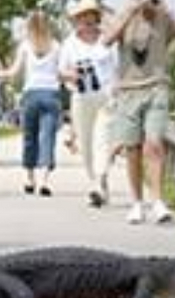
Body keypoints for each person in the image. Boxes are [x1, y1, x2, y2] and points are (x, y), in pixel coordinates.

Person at [103, 0, 175, 223]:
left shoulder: (164, 16)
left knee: (154, 143)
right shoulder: (124, 14)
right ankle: (137, 202)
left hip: (157, 86)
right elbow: (106, 40)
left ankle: (157, 201)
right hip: (128, 91)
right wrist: (131, 10)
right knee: (132, 149)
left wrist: (167, 10)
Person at [0, 10, 63, 197]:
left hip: (30, 95)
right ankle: (45, 181)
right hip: (51, 95)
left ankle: (29, 179)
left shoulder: (25, 46)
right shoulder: (56, 46)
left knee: (29, 138)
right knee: (48, 138)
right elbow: (61, 73)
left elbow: (13, 72)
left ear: (28, 26)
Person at [59, 0, 119, 208]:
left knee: (102, 141)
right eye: (82, 16)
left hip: (105, 98)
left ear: (96, 16)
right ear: (77, 20)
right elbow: (60, 72)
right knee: (86, 146)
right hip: (81, 98)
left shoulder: (107, 39)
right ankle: (98, 184)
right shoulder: (69, 43)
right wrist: (71, 75)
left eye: (90, 15)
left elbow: (118, 68)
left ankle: (98, 183)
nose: (86, 20)